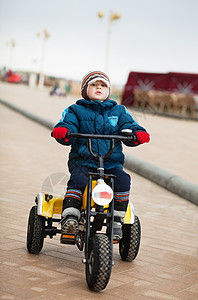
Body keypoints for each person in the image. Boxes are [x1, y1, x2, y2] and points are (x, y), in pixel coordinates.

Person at [52, 71, 150, 240]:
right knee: (78, 179)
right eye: (94, 84)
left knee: (122, 180)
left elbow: (130, 125)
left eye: (103, 85)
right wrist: (64, 132)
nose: (99, 87)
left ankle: (117, 220)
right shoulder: (75, 110)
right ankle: (71, 216)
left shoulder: (118, 111)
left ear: (108, 90)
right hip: (84, 161)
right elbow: (68, 124)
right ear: (85, 90)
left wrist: (137, 134)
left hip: (111, 163)